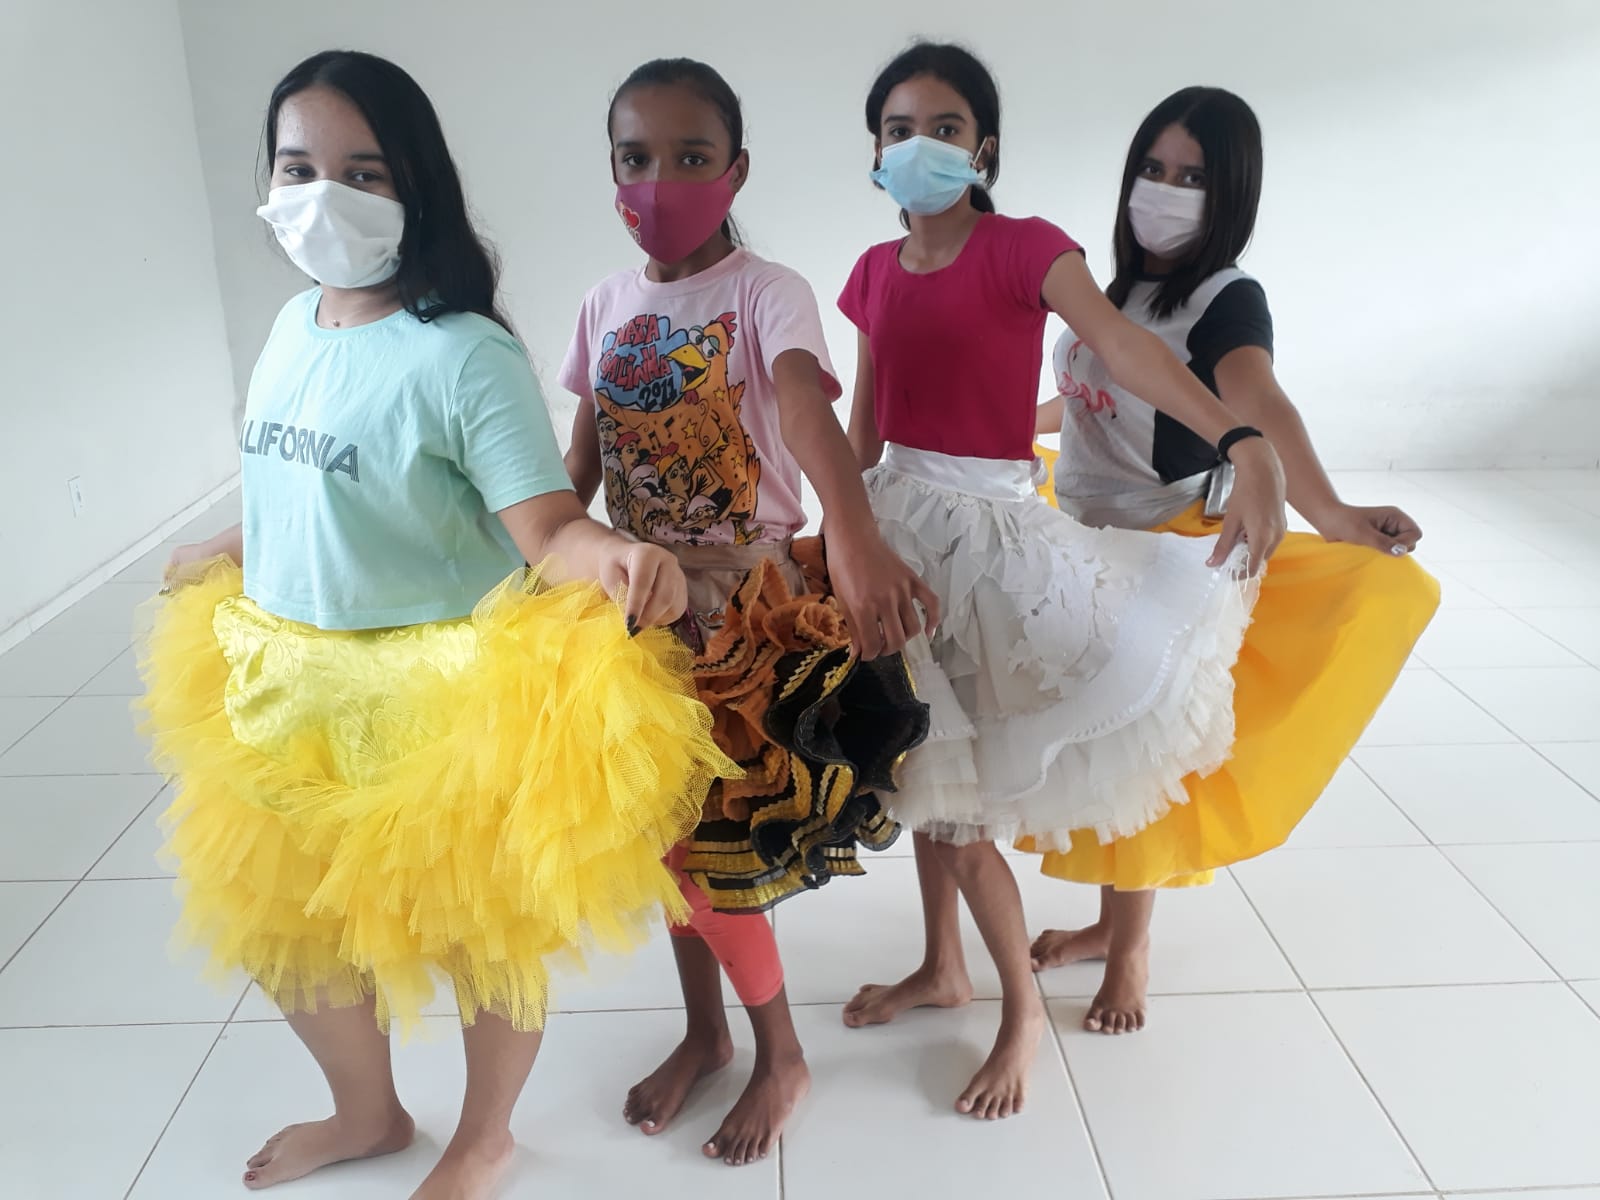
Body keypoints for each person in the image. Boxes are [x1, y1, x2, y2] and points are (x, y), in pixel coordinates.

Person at [143, 51, 734, 1200]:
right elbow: (306, 487)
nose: (326, 196)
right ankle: (366, 1112)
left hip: (433, 695)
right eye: (299, 168)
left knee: (478, 933)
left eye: (363, 172)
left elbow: (548, 526)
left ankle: (487, 1134)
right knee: (283, 923)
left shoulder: (464, 354)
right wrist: (227, 547)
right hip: (283, 680)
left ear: (415, 183)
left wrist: (614, 555)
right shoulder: (292, 326)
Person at [837, 42, 1289, 1121]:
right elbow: (864, 427)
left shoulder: (1026, 248)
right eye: (898, 129)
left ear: (983, 148)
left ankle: (1020, 1014)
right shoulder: (871, 271)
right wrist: (836, 536)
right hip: (894, 531)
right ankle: (941, 966)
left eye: (944, 128)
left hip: (991, 546)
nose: (919, 146)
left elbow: (1125, 349)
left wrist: (1240, 435)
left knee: (961, 808)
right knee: (918, 768)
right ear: (875, 150)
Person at [560, 58, 936, 1166]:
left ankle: (780, 1053)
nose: (661, 181)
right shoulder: (603, 304)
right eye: (637, 158)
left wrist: (852, 533)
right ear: (612, 171)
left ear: (736, 170)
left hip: (737, 614)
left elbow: (806, 412)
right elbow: (578, 472)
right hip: (635, 610)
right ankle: (707, 1031)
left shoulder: (764, 293)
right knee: (662, 843)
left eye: (691, 157)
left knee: (711, 847)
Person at [1024, 86, 1440, 1032]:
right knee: (1094, 742)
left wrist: (1327, 510)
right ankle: (1106, 924)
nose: (1164, 192)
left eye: (1193, 178)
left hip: (1163, 552)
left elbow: (1260, 402)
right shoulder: (1112, 292)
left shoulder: (1225, 300)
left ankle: (1128, 951)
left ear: (1230, 195)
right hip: (1083, 538)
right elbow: (1089, 396)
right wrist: (997, 423)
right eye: (1153, 170)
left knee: (1133, 755)